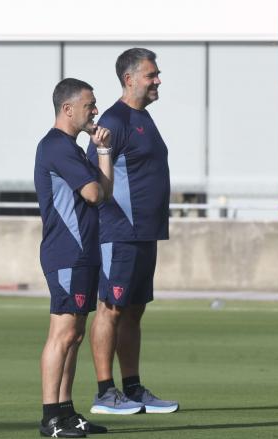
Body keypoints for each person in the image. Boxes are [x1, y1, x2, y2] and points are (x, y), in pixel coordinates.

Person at [87, 48, 178, 415]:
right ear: (130, 79)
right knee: (110, 308)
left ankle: (133, 388)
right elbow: (98, 179)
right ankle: (105, 392)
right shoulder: (114, 119)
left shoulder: (144, 118)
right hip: (119, 232)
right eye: (151, 75)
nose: (157, 80)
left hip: (146, 233)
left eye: (157, 74)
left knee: (134, 311)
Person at [34, 78, 113, 437]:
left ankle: (66, 413)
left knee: (75, 335)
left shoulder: (73, 148)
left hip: (82, 252)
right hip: (67, 252)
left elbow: (104, 192)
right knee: (62, 334)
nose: (95, 110)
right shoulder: (56, 147)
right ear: (68, 109)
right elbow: (94, 194)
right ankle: (50, 417)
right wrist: (98, 165)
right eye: (89, 104)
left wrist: (104, 152)